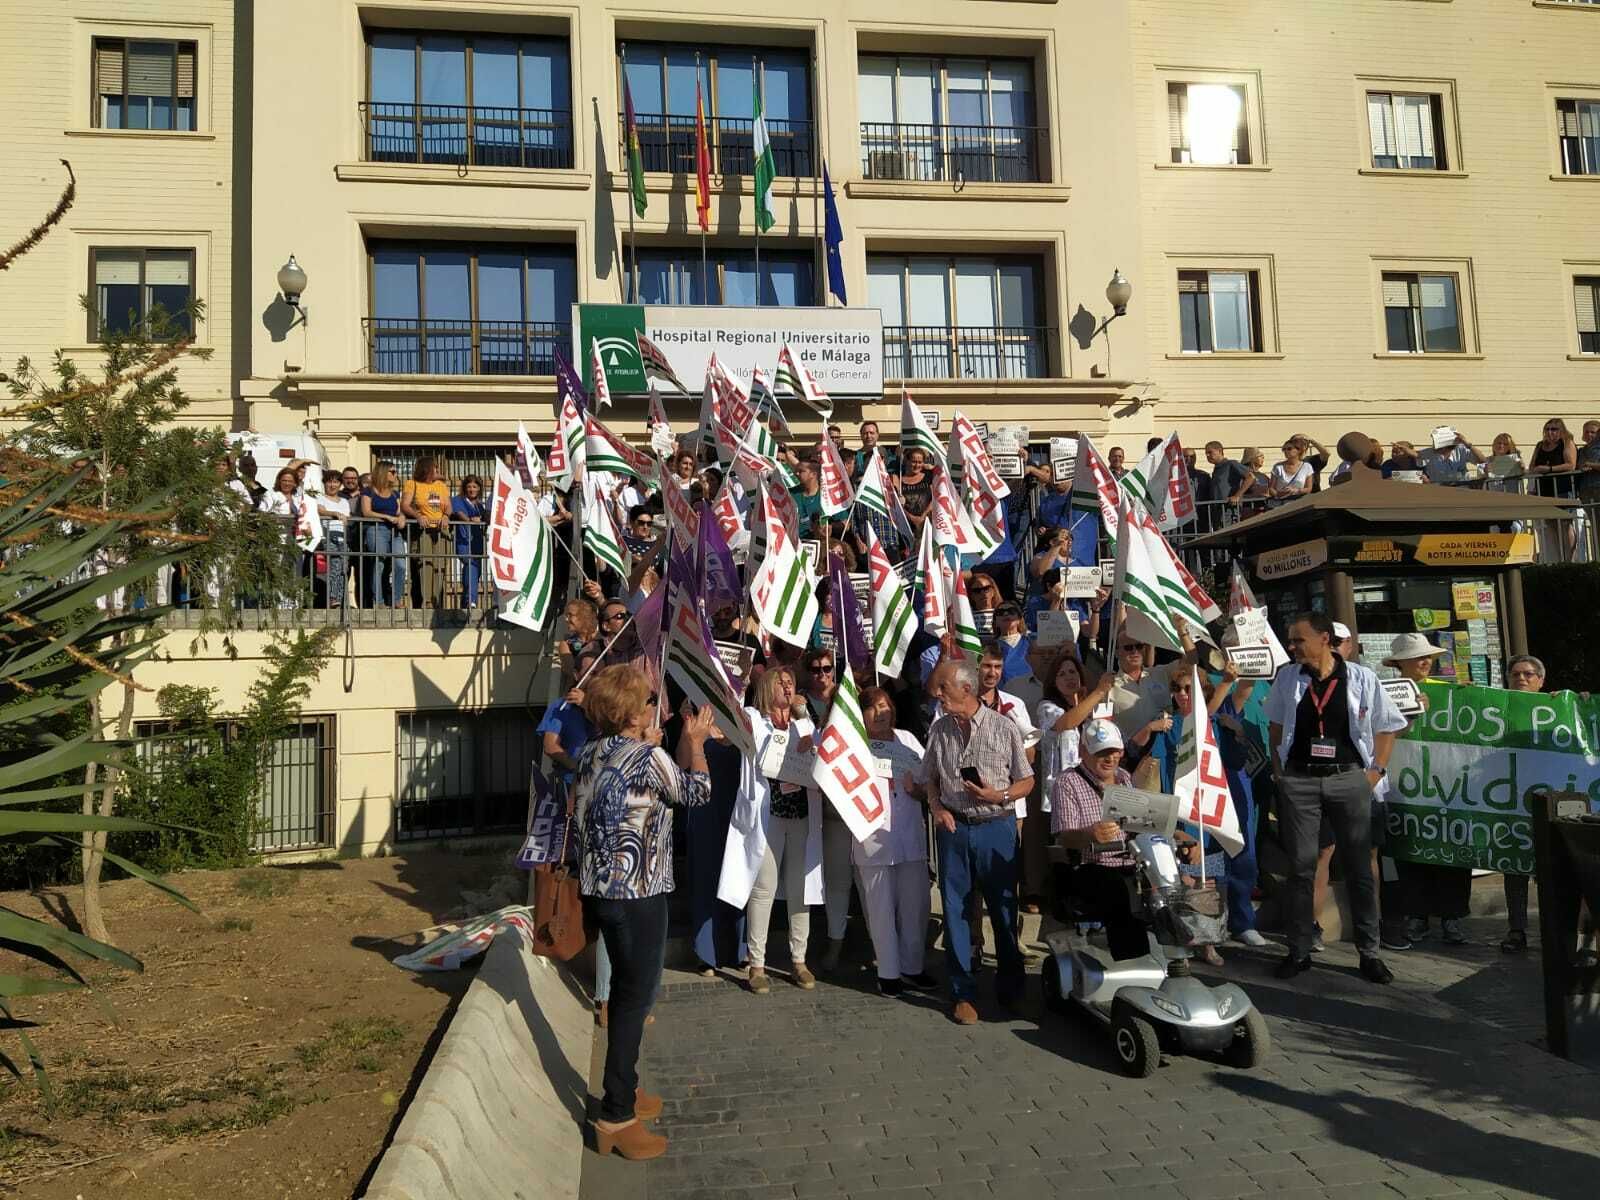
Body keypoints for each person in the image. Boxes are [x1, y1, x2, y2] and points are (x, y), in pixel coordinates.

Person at [575, 665, 713, 1161]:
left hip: (600, 889)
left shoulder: (592, 751)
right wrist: (694, 743)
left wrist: (653, 746)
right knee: (635, 1000)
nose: (656, 704)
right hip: (639, 891)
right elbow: (696, 793)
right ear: (631, 712)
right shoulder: (647, 756)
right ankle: (615, 1114)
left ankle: (626, 1088)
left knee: (628, 996)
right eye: (648, 699)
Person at [1266, 612, 1407, 983]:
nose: (1292, 647)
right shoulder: (1287, 677)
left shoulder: (1361, 677)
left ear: (1324, 639)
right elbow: (1276, 726)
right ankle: (1298, 950)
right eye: (1291, 640)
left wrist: (1373, 773)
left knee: (1359, 867)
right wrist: (1281, 773)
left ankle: (1369, 952)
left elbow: (1388, 726)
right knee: (1300, 867)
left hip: (1348, 779)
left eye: (1299, 640)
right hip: (1300, 779)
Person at [922, 660, 1033, 1024]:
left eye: (944, 689)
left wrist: (999, 794)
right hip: (955, 830)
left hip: (996, 828)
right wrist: (938, 808)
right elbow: (929, 779)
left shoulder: (1004, 728)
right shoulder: (939, 730)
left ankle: (1011, 989)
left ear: (966, 690)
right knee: (955, 910)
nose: (938, 695)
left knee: (1003, 912)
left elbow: (1026, 781)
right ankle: (962, 992)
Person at [723, 667, 823, 994]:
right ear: (767, 688)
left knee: (800, 888)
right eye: (780, 682)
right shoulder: (754, 717)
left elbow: (820, 753)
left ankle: (799, 959)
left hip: (801, 812)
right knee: (764, 887)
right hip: (769, 812)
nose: (786, 686)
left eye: (790, 681)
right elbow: (731, 724)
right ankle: (757, 963)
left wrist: (806, 719)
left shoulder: (802, 722)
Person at [1379, 634, 1470, 945]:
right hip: (1405, 785)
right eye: (1417, 656)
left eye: (1427, 655)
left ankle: (1452, 917)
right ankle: (1417, 916)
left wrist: (1468, 698)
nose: (1424, 661)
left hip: (1447, 784)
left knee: (1452, 848)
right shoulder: (1381, 692)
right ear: (1397, 663)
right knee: (1411, 849)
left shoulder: (1450, 691)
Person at [855, 687, 935, 996]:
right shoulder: (856, 744)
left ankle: (912, 968)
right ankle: (888, 973)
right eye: (873, 708)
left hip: (908, 834)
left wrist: (917, 790)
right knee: (880, 907)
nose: (881, 712)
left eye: (885, 705)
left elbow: (927, 784)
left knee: (914, 905)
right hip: (872, 838)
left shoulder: (908, 740)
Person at [1051, 720, 1144, 960]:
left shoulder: (1124, 778)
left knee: (1171, 883)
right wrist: (1089, 834)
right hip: (1089, 866)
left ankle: (1173, 956)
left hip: (1132, 862)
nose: (1110, 758)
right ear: (1084, 752)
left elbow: (1141, 823)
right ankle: (1130, 961)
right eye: (1101, 752)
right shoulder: (1068, 782)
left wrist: (1175, 835)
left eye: (1114, 751)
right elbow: (1064, 836)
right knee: (1116, 889)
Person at [1501, 654, 1548, 953]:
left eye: (1529, 674)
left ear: (1541, 681)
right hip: (1508, 801)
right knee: (1514, 869)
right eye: (1516, 674)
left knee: (1551, 871)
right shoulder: (1495, 708)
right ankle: (1517, 930)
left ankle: (1555, 930)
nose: (1522, 678)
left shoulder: (1558, 708)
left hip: (1546, 803)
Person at [402, 457, 451, 609]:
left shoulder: (441, 486)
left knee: (440, 565)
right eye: (435, 468)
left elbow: (449, 506)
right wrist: (418, 516)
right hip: (423, 530)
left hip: (441, 530)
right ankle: (427, 600)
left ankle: (436, 600)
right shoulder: (412, 484)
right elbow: (405, 505)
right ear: (427, 469)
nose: (437, 471)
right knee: (425, 564)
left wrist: (446, 516)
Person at [361, 462, 407, 607]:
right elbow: (366, 512)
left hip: (394, 532)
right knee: (378, 564)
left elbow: (399, 511)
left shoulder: (394, 493)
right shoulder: (369, 491)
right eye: (392, 472)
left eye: (395, 472)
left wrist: (402, 518)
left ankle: (397, 599)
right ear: (383, 472)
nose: (395, 475)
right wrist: (386, 517)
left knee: (400, 564)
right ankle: (379, 600)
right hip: (376, 529)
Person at [451, 474, 487, 610]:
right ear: (465, 488)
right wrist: (471, 520)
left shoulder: (479, 506)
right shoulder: (458, 500)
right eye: (469, 486)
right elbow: (460, 514)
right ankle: (471, 601)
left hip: (478, 541)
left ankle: (465, 602)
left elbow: (485, 518)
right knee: (470, 563)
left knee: (474, 571)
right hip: (464, 541)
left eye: (475, 487)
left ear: (479, 489)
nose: (472, 489)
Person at [1529, 418, 1577, 498]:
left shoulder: (1566, 443)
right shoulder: (1540, 445)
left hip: (1562, 489)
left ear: (1561, 430)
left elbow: (1571, 465)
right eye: (1547, 429)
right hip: (1541, 490)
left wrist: (1549, 469)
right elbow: (1532, 466)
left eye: (1554, 429)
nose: (1549, 432)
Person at [1268, 439, 1314, 505]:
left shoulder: (1307, 467)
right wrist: (1279, 494)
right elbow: (1271, 489)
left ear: (1298, 450)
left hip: (1299, 503)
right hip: (1281, 504)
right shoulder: (1278, 467)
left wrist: (1296, 490)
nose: (1286, 451)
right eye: (1284, 449)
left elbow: (1309, 488)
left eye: (1289, 449)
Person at [789, 459, 823, 541]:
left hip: (819, 544)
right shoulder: (790, 493)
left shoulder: (826, 496)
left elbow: (845, 524)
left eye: (801, 471)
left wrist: (827, 527)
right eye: (797, 471)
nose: (797, 473)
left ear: (813, 474)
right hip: (794, 543)